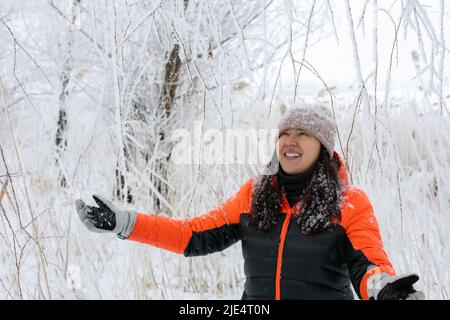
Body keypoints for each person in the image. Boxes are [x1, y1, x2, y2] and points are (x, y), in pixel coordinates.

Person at [75, 105, 425, 300]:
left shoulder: (348, 202)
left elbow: (368, 265)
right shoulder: (255, 195)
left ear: (323, 147)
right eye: (285, 133)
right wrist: (124, 222)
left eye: (303, 134)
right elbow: (192, 235)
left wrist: (384, 290)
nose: (291, 140)